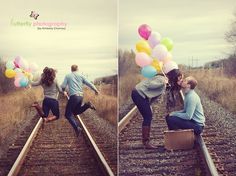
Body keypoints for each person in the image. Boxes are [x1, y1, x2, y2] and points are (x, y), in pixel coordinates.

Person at [131, 72, 167, 149]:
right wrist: (163, 82)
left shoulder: (162, 82)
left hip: (139, 94)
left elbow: (154, 96)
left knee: (148, 115)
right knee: (148, 117)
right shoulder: (161, 79)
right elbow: (150, 85)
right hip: (138, 94)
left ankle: (145, 141)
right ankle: (146, 142)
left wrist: (149, 105)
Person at [61, 64, 99, 136]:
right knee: (75, 112)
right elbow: (89, 83)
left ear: (71, 69)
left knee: (67, 115)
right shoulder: (81, 76)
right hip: (80, 97)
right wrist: (95, 90)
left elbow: (63, 86)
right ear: (77, 69)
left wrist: (63, 91)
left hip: (74, 97)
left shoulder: (68, 76)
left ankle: (77, 128)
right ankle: (87, 105)